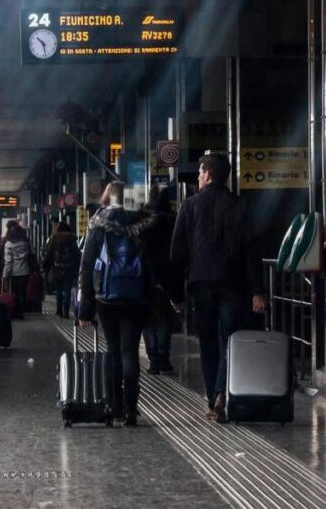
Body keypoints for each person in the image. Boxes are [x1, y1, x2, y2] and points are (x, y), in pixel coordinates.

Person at [170, 153, 266, 422]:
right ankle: (222, 393)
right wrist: (257, 291)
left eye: (200, 172)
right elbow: (251, 251)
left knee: (208, 342)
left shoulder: (189, 206)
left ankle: (212, 398)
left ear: (208, 175)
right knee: (229, 339)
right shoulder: (239, 205)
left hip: (200, 285)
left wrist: (175, 294)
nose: (199, 177)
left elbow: (177, 254)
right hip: (233, 284)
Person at [77, 181, 156, 426]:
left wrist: (85, 308)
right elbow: (153, 263)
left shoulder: (99, 224)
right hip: (136, 296)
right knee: (129, 351)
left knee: (113, 351)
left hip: (106, 296)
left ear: (107, 197)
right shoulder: (143, 223)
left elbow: (87, 265)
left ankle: (115, 407)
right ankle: (131, 409)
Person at [142, 184, 179, 374]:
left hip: (145, 276)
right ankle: (164, 358)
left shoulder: (143, 219)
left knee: (148, 320)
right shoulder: (173, 219)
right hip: (168, 274)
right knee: (164, 318)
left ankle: (153, 360)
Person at [43, 222, 80, 318]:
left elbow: (49, 253)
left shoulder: (54, 239)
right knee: (68, 290)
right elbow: (76, 254)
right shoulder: (72, 239)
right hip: (69, 268)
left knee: (59, 289)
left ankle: (59, 310)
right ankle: (66, 312)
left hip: (57, 268)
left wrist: (45, 266)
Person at [2, 224, 32, 317]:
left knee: (14, 293)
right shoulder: (26, 244)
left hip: (13, 272)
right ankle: (20, 312)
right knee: (22, 293)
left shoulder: (8, 244)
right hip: (25, 271)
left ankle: (14, 312)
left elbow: (8, 261)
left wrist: (5, 274)